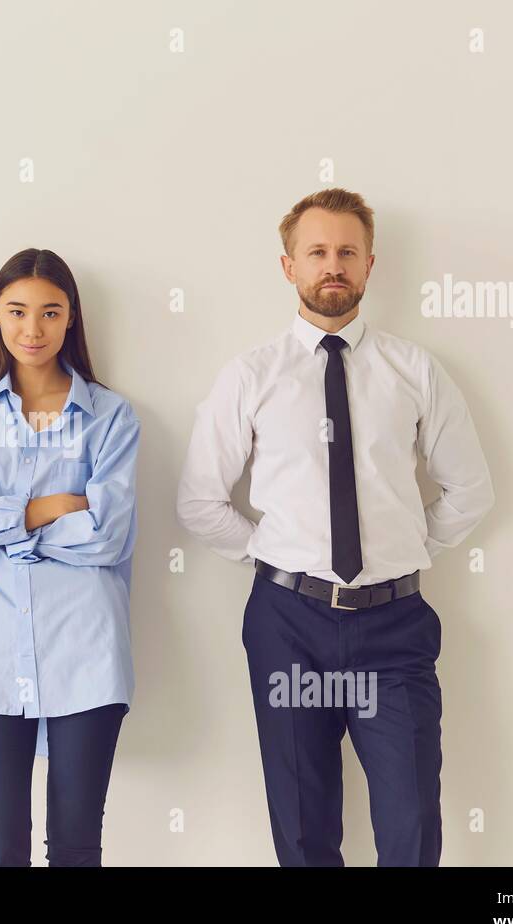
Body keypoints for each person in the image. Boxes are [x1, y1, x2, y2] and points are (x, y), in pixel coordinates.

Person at [176, 188, 495, 866]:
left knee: (411, 827)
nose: (333, 265)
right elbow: (201, 500)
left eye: (347, 252)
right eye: (316, 251)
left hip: (394, 628)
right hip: (288, 623)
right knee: (302, 828)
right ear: (288, 266)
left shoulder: (414, 371)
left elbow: (470, 489)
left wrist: (402, 551)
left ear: (371, 264)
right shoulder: (251, 376)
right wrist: (279, 558)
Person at [0, 249, 140, 866]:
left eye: (50, 313)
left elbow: (107, 537)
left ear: (71, 320)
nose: (32, 330)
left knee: (74, 849)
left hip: (86, 655)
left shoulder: (112, 418)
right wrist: (49, 508)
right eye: (16, 311)